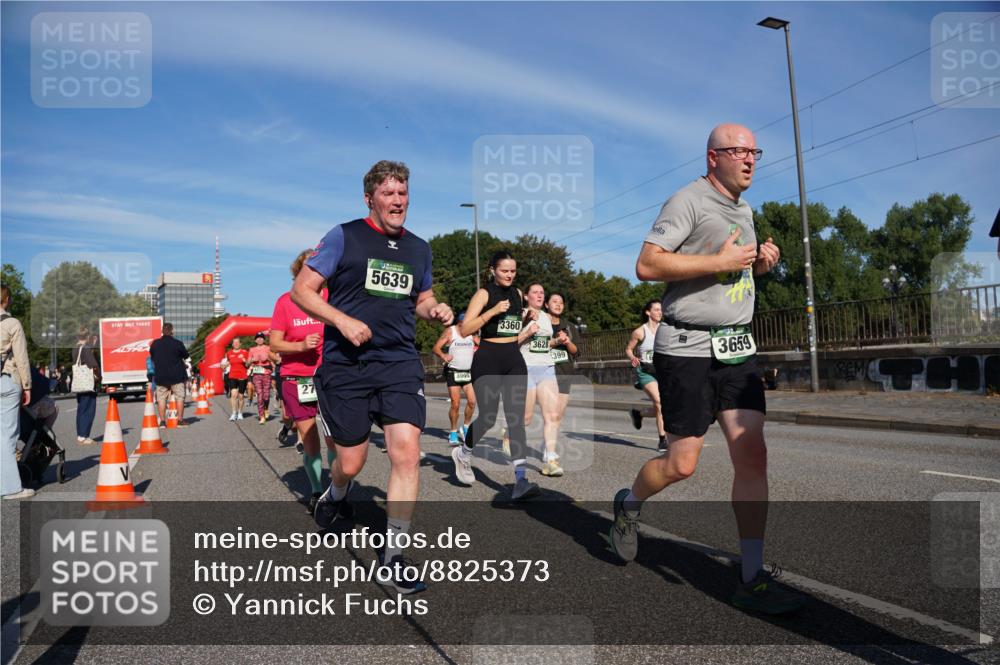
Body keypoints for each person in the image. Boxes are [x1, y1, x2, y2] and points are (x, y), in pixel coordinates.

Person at [609, 123, 799, 615]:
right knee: (682, 464)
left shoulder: (745, 210)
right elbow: (647, 265)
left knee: (752, 454)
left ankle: (751, 577)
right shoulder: (687, 201)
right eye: (739, 150)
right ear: (713, 157)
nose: (750, 158)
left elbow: (731, 271)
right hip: (687, 349)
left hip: (737, 350)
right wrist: (718, 260)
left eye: (754, 150)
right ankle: (628, 507)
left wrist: (757, 265)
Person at [293, 160, 452, 593]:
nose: (397, 201)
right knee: (351, 462)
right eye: (388, 194)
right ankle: (336, 492)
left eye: (402, 194)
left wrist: (433, 309)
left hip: (398, 362)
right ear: (370, 198)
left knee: (406, 452)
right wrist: (342, 322)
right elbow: (302, 290)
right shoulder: (344, 236)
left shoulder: (420, 248)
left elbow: (421, 297)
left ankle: (394, 555)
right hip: (347, 365)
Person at [451, 250, 541, 500]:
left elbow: (510, 328)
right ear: (492, 270)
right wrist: (491, 312)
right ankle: (464, 453)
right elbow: (466, 328)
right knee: (488, 417)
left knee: (516, 419)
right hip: (488, 359)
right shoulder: (484, 293)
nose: (510, 275)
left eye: (513, 271)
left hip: (513, 358)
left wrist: (526, 319)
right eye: (505, 271)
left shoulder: (518, 294)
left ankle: (521, 480)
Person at [271, 249, 332, 512]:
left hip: (331, 376)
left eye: (319, 267)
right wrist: (301, 346)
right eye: (308, 267)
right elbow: (274, 343)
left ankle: (338, 490)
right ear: (298, 271)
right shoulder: (286, 302)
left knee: (337, 438)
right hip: (298, 377)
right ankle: (318, 491)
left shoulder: (334, 297)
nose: (314, 271)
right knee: (310, 438)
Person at [520, 283, 567, 477]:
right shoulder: (521, 314)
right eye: (535, 292)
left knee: (553, 415)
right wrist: (527, 331)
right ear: (526, 296)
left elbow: (544, 345)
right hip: (526, 368)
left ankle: (550, 460)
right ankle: (509, 432)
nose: (540, 295)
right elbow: (509, 343)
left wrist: (556, 342)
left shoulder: (547, 318)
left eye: (542, 293)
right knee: (526, 418)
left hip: (547, 368)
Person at [1, 285, 34, 499]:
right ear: (7, 299)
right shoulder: (12, 323)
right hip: (6, 381)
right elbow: (21, 358)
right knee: (7, 435)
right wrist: (27, 385)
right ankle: (11, 488)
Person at [626, 300, 668, 452]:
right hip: (646, 372)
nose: (660, 312)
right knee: (659, 402)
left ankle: (639, 413)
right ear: (648, 312)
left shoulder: (665, 329)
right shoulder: (639, 331)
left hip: (663, 371)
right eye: (656, 310)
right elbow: (629, 349)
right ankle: (662, 440)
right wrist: (633, 358)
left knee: (663, 407)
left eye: (661, 310)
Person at [431, 313, 477, 446]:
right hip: (453, 372)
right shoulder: (450, 332)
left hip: (467, 373)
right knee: (455, 404)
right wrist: (443, 355)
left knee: (472, 402)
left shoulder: (471, 333)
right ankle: (453, 432)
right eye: (465, 323)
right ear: (459, 323)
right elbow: (436, 348)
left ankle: (466, 427)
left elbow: (483, 345)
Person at [544, 292, 579, 451]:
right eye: (554, 301)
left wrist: (567, 341)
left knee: (557, 415)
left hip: (565, 373)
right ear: (546, 304)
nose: (558, 305)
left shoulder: (569, 326)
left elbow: (576, 352)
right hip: (544, 373)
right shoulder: (540, 324)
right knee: (549, 414)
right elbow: (535, 346)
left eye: (561, 302)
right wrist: (555, 341)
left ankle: (548, 447)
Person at [149, 323, 190, 427]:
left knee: (161, 399)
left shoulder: (155, 344)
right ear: (172, 331)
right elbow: (186, 355)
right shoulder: (178, 343)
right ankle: (180, 420)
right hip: (176, 376)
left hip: (161, 376)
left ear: (162, 331)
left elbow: (152, 356)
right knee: (179, 397)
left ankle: (163, 422)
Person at [72, 329, 100, 445]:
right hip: (87, 383)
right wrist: (99, 376)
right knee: (89, 409)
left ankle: (80, 435)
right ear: (87, 336)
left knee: (81, 409)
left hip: (80, 383)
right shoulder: (86, 349)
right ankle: (85, 435)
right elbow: (93, 365)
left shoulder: (75, 348)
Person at [247, 332, 273, 424]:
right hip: (256, 373)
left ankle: (266, 408)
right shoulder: (252, 349)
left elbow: (273, 359)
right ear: (255, 340)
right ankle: (261, 415)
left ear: (264, 339)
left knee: (266, 396)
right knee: (259, 394)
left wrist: (268, 358)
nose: (260, 339)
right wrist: (252, 360)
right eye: (258, 338)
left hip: (266, 372)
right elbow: (247, 363)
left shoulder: (268, 348)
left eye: (261, 338)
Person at [224, 337, 249, 421]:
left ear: (240, 344)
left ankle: (240, 413)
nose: (236, 344)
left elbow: (248, 364)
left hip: (242, 376)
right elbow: (227, 362)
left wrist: (246, 361)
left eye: (237, 342)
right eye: (234, 343)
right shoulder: (229, 353)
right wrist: (224, 365)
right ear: (232, 344)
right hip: (232, 376)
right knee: (233, 394)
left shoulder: (245, 352)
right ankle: (234, 413)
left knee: (241, 396)